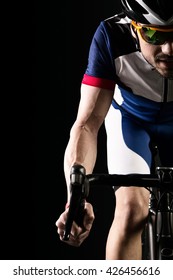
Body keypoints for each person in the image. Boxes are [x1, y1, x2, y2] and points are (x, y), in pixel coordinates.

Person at [56, 0, 173, 260]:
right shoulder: (110, 36)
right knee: (131, 210)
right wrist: (76, 198)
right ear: (133, 28)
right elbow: (86, 124)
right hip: (131, 120)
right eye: (154, 34)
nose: (170, 49)